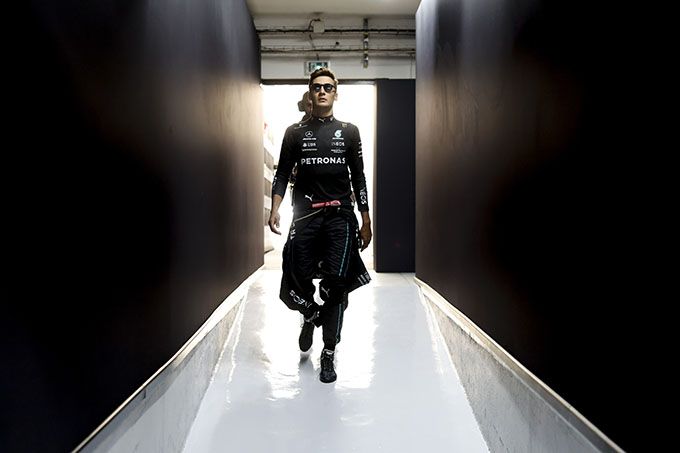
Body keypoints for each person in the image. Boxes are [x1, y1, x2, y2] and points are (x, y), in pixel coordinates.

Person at [268, 68, 372, 383]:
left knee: (336, 287)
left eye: (328, 87)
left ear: (335, 93)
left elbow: (359, 177)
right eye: (317, 87)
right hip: (304, 218)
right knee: (294, 285)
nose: (323, 91)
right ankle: (310, 314)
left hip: (341, 218)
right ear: (310, 94)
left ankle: (328, 351)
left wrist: (366, 219)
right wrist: (275, 208)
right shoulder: (294, 133)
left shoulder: (349, 132)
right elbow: (282, 173)